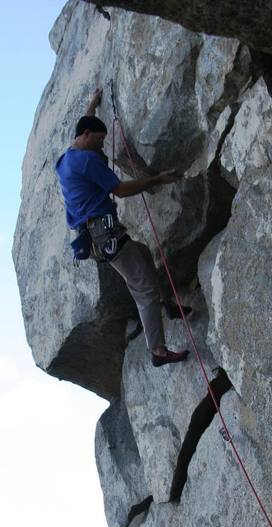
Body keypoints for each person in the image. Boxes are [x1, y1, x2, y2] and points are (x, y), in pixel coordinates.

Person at [55, 88, 190, 367]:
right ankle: (158, 351)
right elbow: (120, 189)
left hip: (95, 236)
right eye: (100, 139)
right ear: (88, 136)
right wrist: (156, 180)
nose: (103, 145)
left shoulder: (66, 159)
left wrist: (92, 104)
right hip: (104, 234)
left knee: (141, 253)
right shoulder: (88, 160)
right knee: (143, 287)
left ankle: (169, 305)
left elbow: (85, 123)